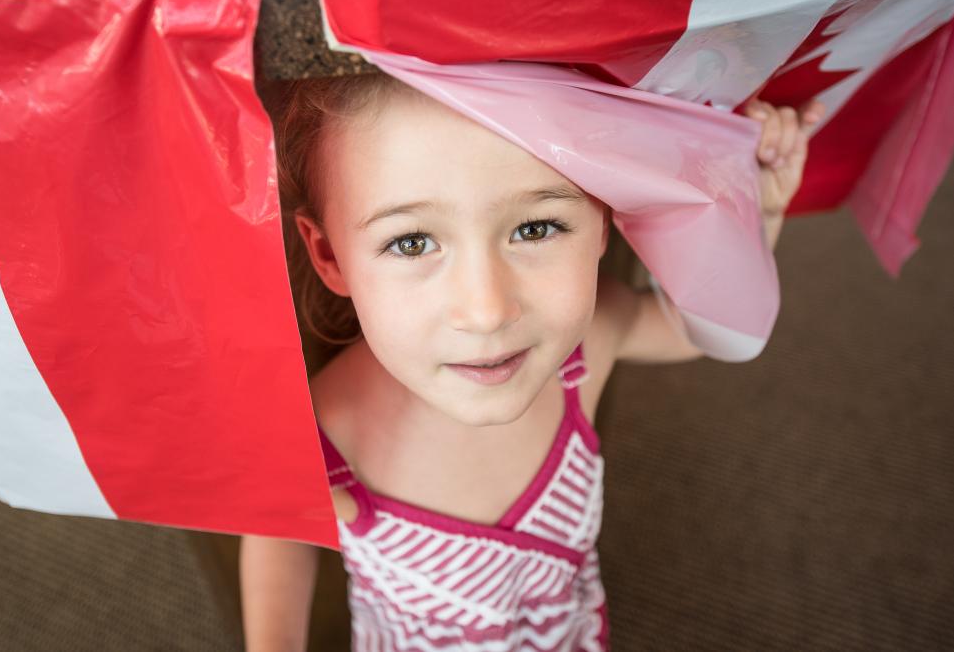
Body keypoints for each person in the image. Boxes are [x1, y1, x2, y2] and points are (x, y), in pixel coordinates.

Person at [240, 71, 824, 652]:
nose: (487, 310)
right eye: (412, 242)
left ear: (599, 219)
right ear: (329, 254)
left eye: (535, 227)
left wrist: (753, 215)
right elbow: (276, 532)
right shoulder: (323, 430)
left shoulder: (585, 349)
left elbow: (690, 330)